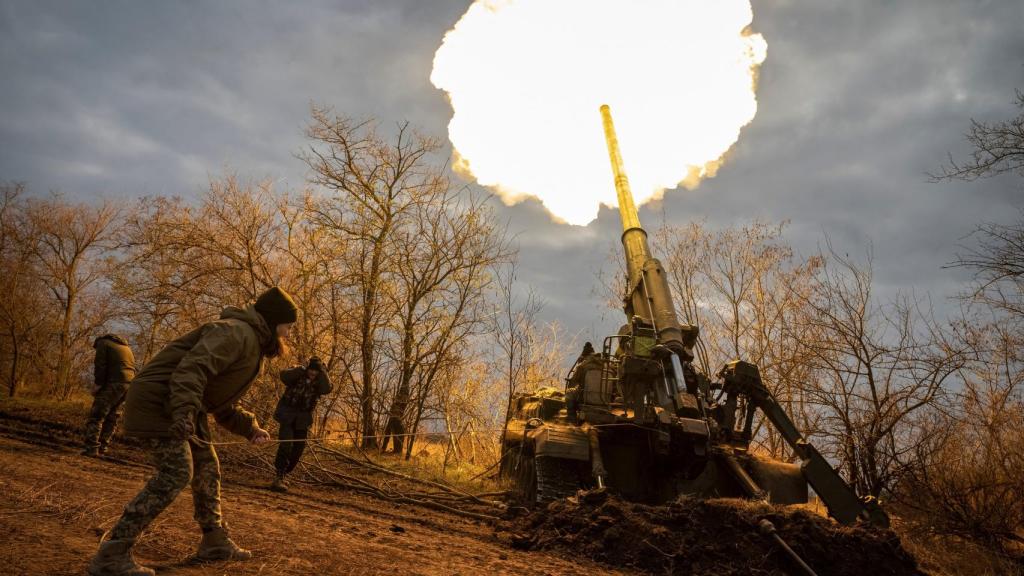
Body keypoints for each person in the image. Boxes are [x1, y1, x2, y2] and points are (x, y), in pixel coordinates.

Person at [87, 286, 298, 576]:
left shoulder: (251, 344)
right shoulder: (235, 333)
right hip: (161, 401)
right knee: (177, 472)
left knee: (207, 466)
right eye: (287, 326)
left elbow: (219, 403)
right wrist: (183, 413)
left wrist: (250, 428)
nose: (288, 334)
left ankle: (214, 541)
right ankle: (113, 554)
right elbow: (191, 371)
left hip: (183, 404)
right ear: (274, 322)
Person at [270, 356, 333, 492]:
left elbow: (327, 389)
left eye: (316, 371)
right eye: (311, 369)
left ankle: (284, 474)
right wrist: (302, 368)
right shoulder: (297, 373)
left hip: (303, 419)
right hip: (287, 415)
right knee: (286, 444)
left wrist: (324, 372)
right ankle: (278, 477)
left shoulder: (320, 382)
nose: (312, 373)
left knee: (297, 451)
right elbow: (284, 376)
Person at [82, 333, 137, 457]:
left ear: (97, 342)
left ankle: (91, 448)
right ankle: (103, 447)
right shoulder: (125, 346)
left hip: (114, 383)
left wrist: (98, 384)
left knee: (97, 416)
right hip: (128, 385)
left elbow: (100, 365)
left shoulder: (103, 344)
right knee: (112, 417)